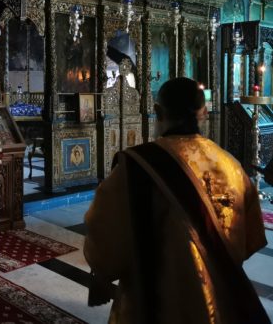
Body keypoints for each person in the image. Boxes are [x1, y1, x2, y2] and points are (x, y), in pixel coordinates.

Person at [84, 77, 269, 324]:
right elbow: (250, 238)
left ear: (158, 112)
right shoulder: (232, 166)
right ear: (204, 113)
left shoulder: (136, 167)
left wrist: (102, 274)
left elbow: (104, 234)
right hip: (220, 304)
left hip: (154, 306)